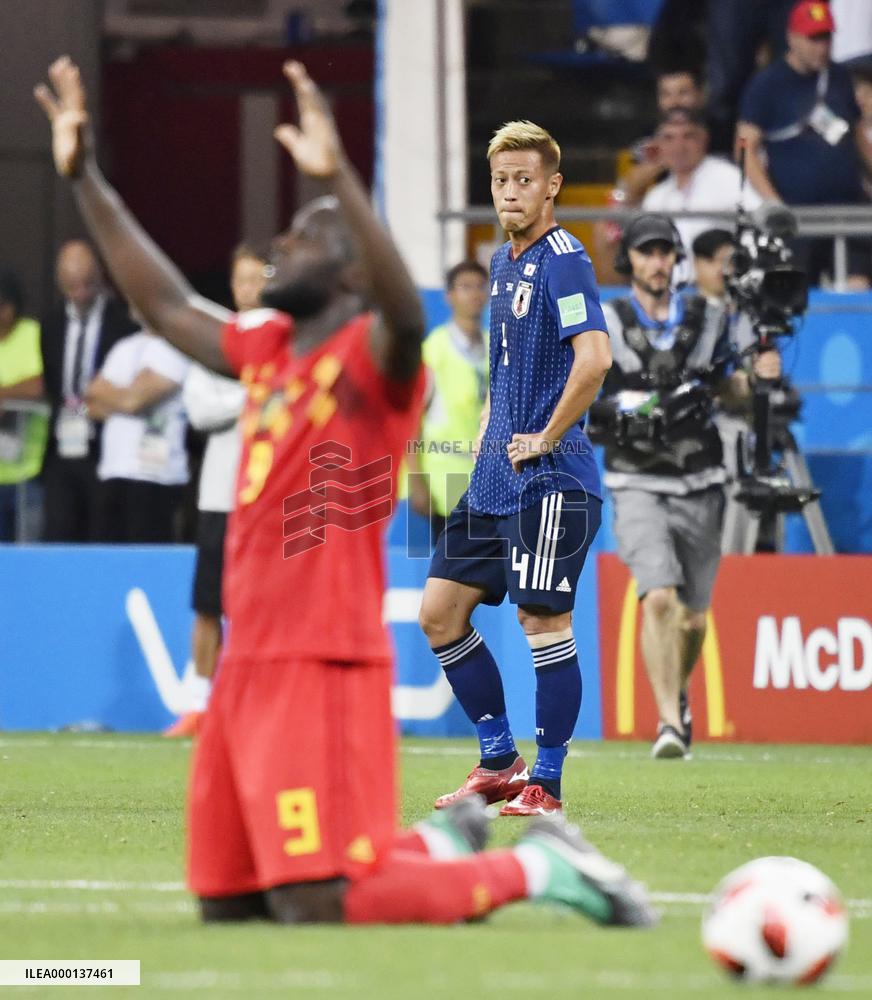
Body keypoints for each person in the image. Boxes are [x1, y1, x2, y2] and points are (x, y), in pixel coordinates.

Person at [36, 57, 656, 927]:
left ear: (350, 273)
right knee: (229, 905)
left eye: (305, 235)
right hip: (246, 668)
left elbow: (409, 312)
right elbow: (168, 307)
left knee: (317, 898)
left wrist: (339, 180)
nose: (280, 245)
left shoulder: (374, 363)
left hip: (320, 663)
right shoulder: (269, 351)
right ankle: (454, 829)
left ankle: (538, 867)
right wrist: (84, 177)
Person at [419, 121, 613, 817]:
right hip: (495, 480)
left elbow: (594, 359)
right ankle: (499, 759)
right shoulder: (502, 263)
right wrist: (487, 428)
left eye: (524, 179)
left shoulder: (566, 259)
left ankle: (549, 782)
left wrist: (541, 436)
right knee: (439, 613)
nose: (510, 192)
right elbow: (506, 371)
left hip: (553, 477)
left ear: (552, 185)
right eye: (501, 180)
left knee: (542, 620)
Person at [592, 214, 773, 759]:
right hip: (636, 478)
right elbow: (587, 397)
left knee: (694, 616)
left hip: (701, 477)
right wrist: (633, 410)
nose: (657, 262)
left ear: (676, 260)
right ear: (631, 262)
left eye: (665, 252)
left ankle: (679, 697)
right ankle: (669, 723)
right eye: (647, 252)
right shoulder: (606, 320)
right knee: (659, 598)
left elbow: (733, 394)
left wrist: (755, 378)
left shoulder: (710, 318)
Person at [164, 245, 265, 738]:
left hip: (271, 500)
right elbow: (200, 410)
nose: (251, 289)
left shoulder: (291, 339)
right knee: (209, 603)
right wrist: (259, 391)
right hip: (221, 496)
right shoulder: (216, 340)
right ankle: (199, 702)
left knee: (263, 607)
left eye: (259, 278)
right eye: (243, 279)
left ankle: (250, 703)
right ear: (232, 284)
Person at [737, 0, 872, 287]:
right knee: (799, 295)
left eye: (826, 37)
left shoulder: (839, 77)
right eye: (813, 39)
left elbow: (857, 134)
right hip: (798, 215)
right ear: (792, 38)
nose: (822, 47)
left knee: (857, 288)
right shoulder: (767, 85)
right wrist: (773, 202)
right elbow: (745, 149)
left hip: (847, 208)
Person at [39, 240, 137, 540]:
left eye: (87, 284)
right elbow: (52, 383)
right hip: (61, 446)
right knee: (57, 533)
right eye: (72, 287)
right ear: (59, 284)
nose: (80, 294)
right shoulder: (51, 324)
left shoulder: (122, 324)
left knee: (102, 532)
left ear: (100, 278)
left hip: (103, 446)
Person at [596, 67, 706, 285]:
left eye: (683, 93)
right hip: (654, 208)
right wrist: (662, 161)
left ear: (699, 95)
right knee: (605, 227)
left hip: (700, 206)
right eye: (666, 94)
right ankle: (615, 300)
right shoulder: (648, 138)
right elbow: (625, 191)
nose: (675, 102)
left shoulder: (717, 132)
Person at [407, 260, 489, 546]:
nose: (475, 294)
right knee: (453, 573)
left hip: (485, 480)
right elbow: (412, 419)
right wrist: (415, 481)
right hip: (444, 480)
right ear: (449, 296)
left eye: (480, 286)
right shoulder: (434, 351)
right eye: (465, 287)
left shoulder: (493, 349)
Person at [84, 327, 190, 542]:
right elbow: (91, 403)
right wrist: (126, 395)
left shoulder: (177, 345)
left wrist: (112, 394)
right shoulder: (123, 346)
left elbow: (133, 402)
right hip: (113, 470)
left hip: (157, 475)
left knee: (149, 560)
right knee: (109, 560)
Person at [642, 108, 763, 280]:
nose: (678, 146)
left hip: (722, 288)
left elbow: (760, 225)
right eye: (669, 138)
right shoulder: (656, 197)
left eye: (688, 136)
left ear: (704, 139)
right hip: (670, 294)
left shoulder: (729, 177)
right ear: (658, 145)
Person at [0, 268, 48, 541]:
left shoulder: (33, 334)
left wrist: (4, 396)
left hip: (27, 471)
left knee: (28, 555)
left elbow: (40, 385)